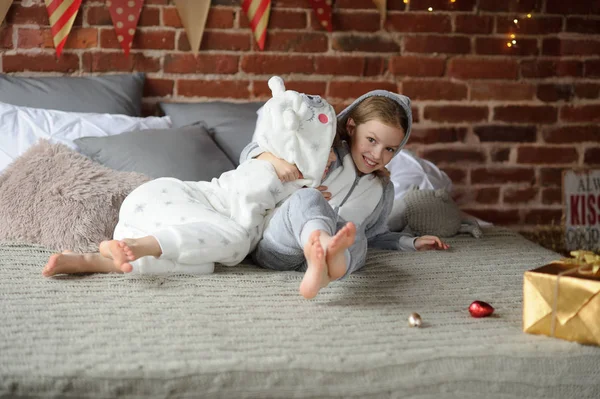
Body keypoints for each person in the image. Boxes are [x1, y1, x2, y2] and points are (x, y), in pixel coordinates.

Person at [42, 77, 338, 277]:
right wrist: (280, 177)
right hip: (174, 197)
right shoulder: (265, 168)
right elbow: (247, 209)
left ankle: (94, 260)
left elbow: (270, 226)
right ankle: (139, 245)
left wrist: (300, 201)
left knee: (203, 264)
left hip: (168, 214)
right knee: (234, 243)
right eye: (325, 152)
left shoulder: (288, 180)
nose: (332, 161)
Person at [240, 90, 449, 299]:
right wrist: (276, 162)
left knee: (355, 235)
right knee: (310, 198)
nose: (378, 155)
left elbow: (375, 235)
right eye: (371, 140)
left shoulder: (383, 190)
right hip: (278, 248)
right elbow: (248, 155)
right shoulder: (321, 154)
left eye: (390, 149)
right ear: (351, 127)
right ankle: (320, 245)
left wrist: (410, 243)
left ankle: (326, 271)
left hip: (327, 261)